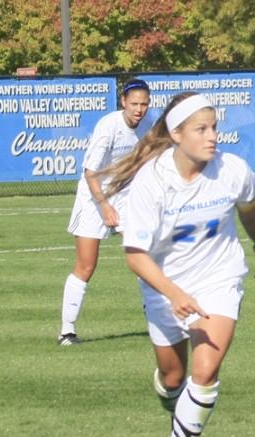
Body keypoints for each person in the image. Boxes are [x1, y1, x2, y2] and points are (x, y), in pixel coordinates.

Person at [103, 92, 255, 437]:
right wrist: (173, 292)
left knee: (205, 371)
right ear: (177, 134)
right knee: (172, 379)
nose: (212, 136)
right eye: (201, 129)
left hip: (220, 279)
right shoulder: (152, 181)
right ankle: (184, 423)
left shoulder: (232, 170)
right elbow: (136, 256)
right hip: (165, 287)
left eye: (214, 127)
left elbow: (248, 211)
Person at [58, 79, 152, 345]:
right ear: (123, 102)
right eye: (134, 103)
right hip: (94, 196)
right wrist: (105, 206)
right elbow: (90, 173)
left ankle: (156, 320)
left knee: (141, 257)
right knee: (86, 265)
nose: (139, 109)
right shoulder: (108, 126)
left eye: (144, 103)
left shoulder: (148, 124)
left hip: (126, 195)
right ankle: (67, 331)